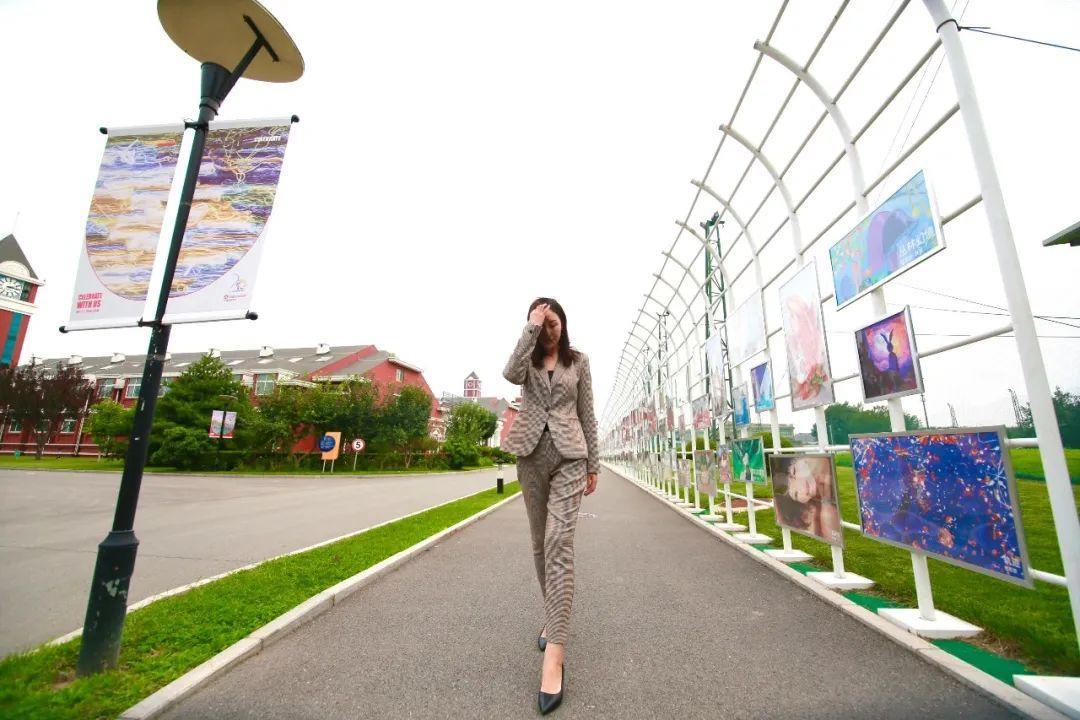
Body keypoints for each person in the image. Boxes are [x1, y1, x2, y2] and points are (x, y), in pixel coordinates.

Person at [502, 297, 598, 715]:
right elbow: (510, 374)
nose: (547, 330)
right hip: (530, 458)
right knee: (540, 545)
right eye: (541, 324)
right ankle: (552, 614)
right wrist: (530, 327)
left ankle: (555, 654)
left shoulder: (579, 361)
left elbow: (587, 413)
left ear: (564, 323)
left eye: (552, 322)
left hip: (570, 457)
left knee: (559, 542)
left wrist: (594, 464)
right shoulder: (527, 359)